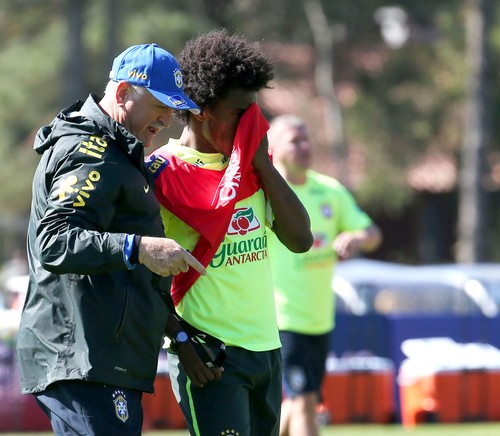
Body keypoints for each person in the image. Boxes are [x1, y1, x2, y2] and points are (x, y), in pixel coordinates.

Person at [16, 43, 207, 436]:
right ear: (122, 94)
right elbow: (54, 241)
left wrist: (176, 331)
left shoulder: (119, 151)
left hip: (102, 358)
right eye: (160, 106)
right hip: (81, 359)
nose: (168, 119)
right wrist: (140, 247)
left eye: (173, 108)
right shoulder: (92, 152)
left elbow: (117, 275)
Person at [145, 29, 313, 436]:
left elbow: (300, 239)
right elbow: (141, 275)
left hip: (267, 351)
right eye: (240, 113)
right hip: (210, 357)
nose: (250, 123)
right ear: (202, 110)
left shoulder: (255, 168)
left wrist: (264, 166)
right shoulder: (158, 174)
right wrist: (181, 341)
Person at [266, 115, 383, 436]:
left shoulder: (329, 190)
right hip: (282, 320)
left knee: (299, 400)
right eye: (295, 140)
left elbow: (372, 233)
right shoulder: (265, 193)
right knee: (304, 401)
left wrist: (358, 238)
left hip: (320, 320)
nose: (305, 146)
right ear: (272, 148)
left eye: (307, 139)